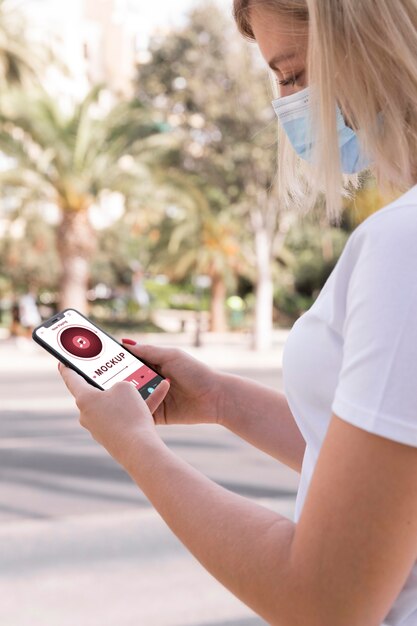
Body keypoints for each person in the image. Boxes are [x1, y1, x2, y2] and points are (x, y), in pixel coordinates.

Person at [59, 1, 417, 624]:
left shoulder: (403, 246)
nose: (287, 101)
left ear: (371, 44)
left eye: (291, 74)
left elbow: (322, 601)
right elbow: (382, 470)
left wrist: (136, 447)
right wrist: (222, 399)